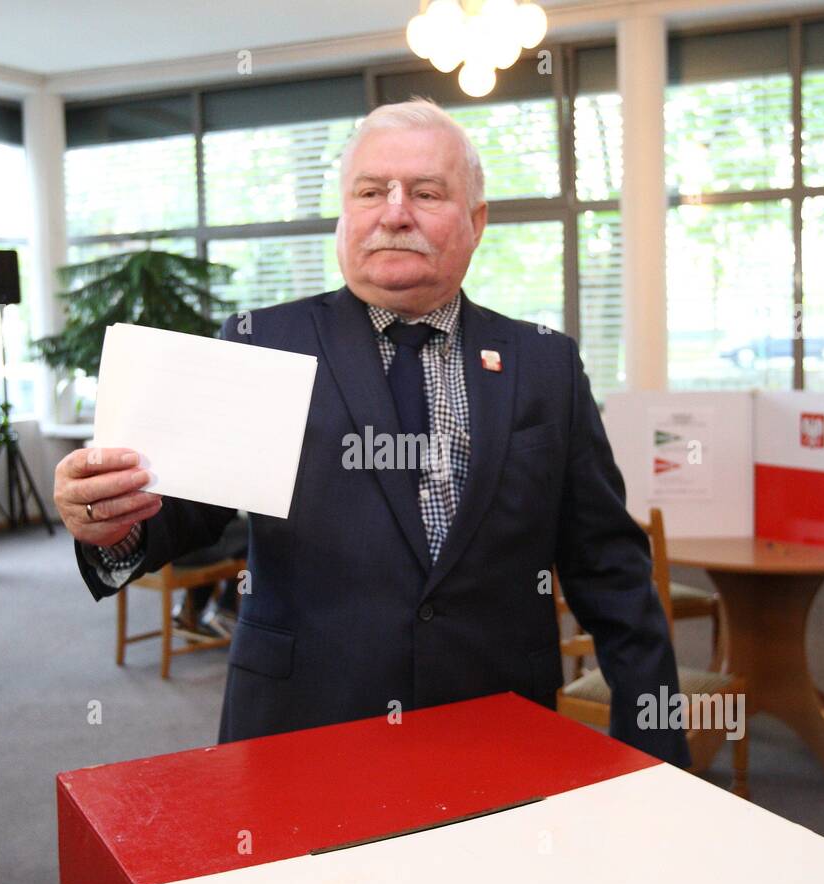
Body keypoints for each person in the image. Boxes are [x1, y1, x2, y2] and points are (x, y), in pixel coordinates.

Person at [54, 98, 689, 768]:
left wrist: (657, 747)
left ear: (476, 221)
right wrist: (109, 518)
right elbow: (181, 512)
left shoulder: (544, 364)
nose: (394, 213)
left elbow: (609, 569)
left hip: (500, 730)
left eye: (425, 192)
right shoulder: (263, 344)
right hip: (305, 731)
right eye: (370, 191)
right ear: (343, 215)